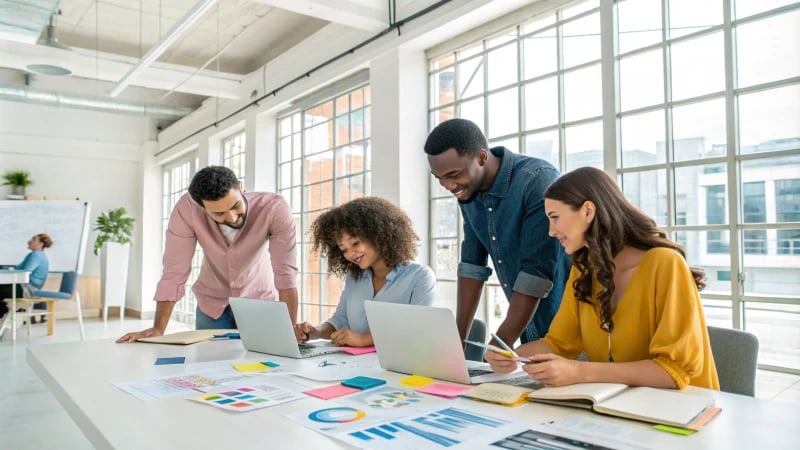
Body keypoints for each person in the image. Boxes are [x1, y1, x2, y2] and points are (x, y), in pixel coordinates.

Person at [485, 166, 720, 390]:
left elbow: (673, 370)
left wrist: (580, 372)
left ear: (588, 211)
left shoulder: (665, 264)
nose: (551, 230)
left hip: (685, 415)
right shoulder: (585, 269)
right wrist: (513, 355)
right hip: (621, 409)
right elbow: (558, 344)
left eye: (555, 217)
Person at [424, 118, 570, 349]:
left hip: (569, 330)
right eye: (438, 177)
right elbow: (472, 266)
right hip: (529, 332)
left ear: (482, 157)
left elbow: (536, 274)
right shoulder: (468, 192)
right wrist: (457, 339)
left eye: (453, 174)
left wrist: (501, 343)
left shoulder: (536, 180)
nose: (447, 185)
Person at [117, 166, 298, 343]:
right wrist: (158, 329)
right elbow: (174, 272)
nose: (233, 217)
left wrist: (290, 333)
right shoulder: (187, 209)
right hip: (211, 305)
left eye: (236, 205)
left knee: (261, 367)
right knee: (208, 368)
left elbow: (285, 274)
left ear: (241, 187)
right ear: (201, 207)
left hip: (260, 302)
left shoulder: (274, 208)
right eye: (219, 213)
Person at [294, 197, 435, 347]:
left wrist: (364, 339)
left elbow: (417, 329)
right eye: (344, 250)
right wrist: (316, 332)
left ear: (378, 235)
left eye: (355, 243)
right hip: (357, 365)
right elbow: (341, 320)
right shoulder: (355, 278)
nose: (351, 254)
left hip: (402, 366)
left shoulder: (420, 277)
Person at [0, 234, 53, 322]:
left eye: (34, 239)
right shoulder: (37, 255)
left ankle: (4, 312)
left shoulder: (36, 255)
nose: (30, 241)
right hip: (28, 288)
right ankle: (4, 312)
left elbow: (25, 272)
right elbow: (19, 269)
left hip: (26, 290)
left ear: (41, 244)